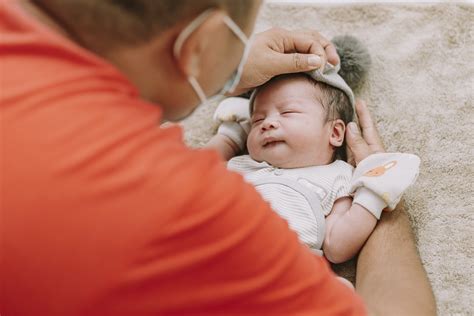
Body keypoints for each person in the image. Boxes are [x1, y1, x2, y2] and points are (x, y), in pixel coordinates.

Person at [0, 1, 436, 315]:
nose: (265, 123)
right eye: (240, 40)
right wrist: (382, 192)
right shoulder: (191, 214)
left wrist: (213, 66)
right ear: (199, 43)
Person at [208, 56, 420, 264]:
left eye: (288, 112)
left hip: (286, 270)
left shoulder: (339, 176)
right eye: (257, 120)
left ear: (335, 133)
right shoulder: (245, 166)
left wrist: (372, 194)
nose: (268, 123)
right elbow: (199, 171)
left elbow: (336, 246)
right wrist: (231, 134)